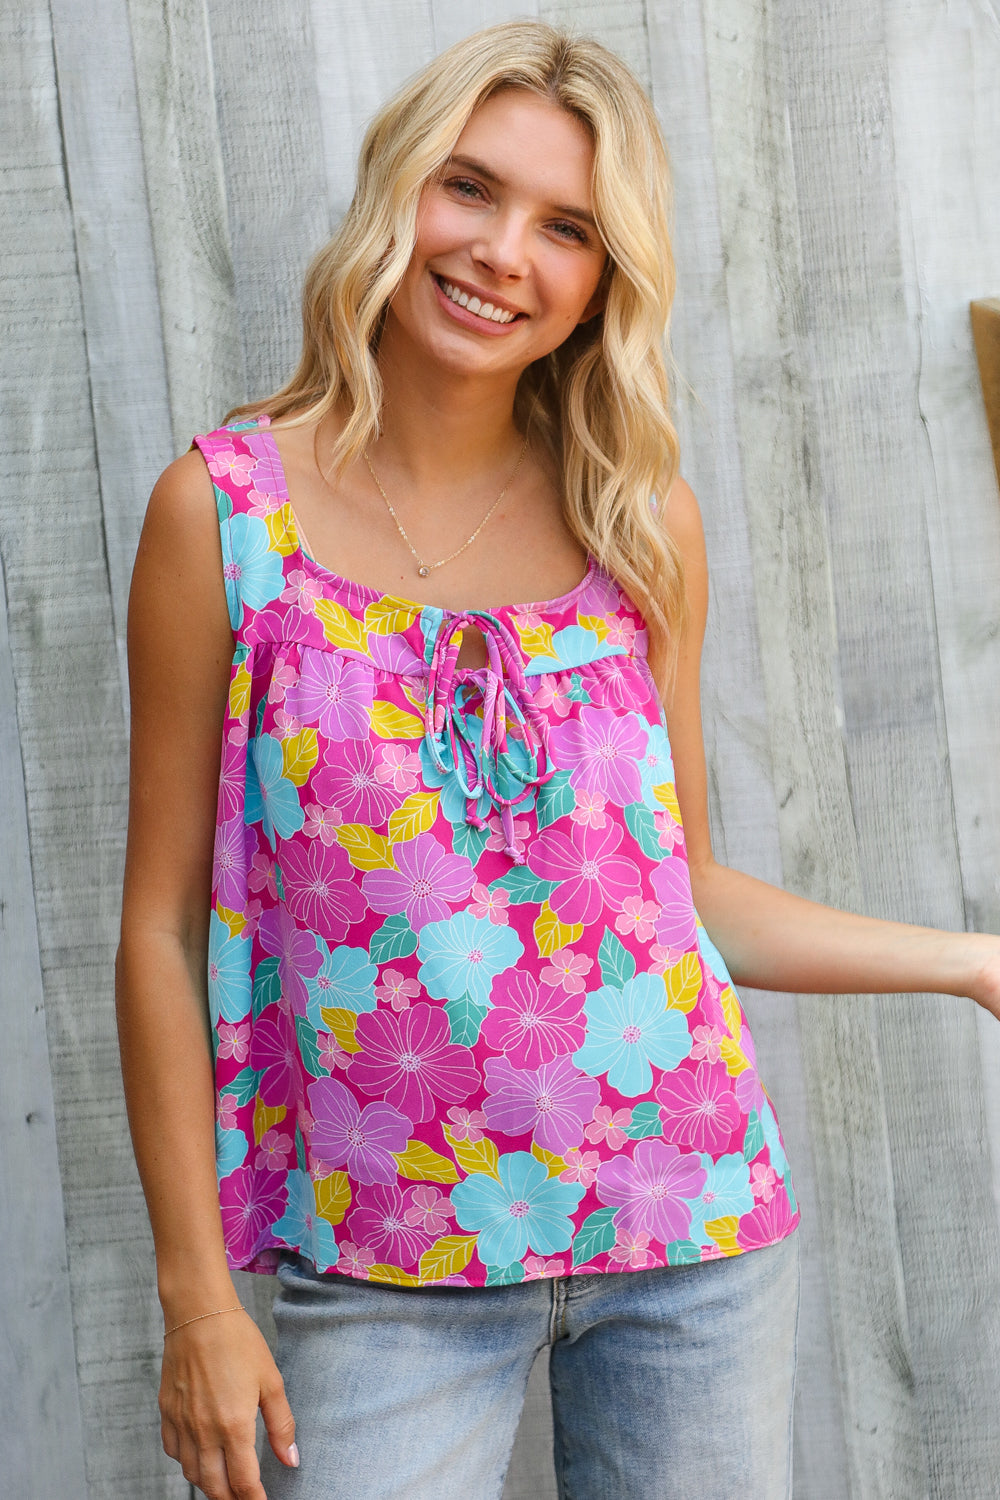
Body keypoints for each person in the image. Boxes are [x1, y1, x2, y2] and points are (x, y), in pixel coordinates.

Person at [116, 20, 1000, 1500]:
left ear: (606, 278)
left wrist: (973, 958)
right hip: (384, 1262)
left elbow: (688, 894)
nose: (501, 252)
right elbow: (157, 926)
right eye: (471, 188)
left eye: (567, 226)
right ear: (399, 193)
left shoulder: (638, 521)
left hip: (692, 1239)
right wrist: (198, 1299)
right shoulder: (221, 519)